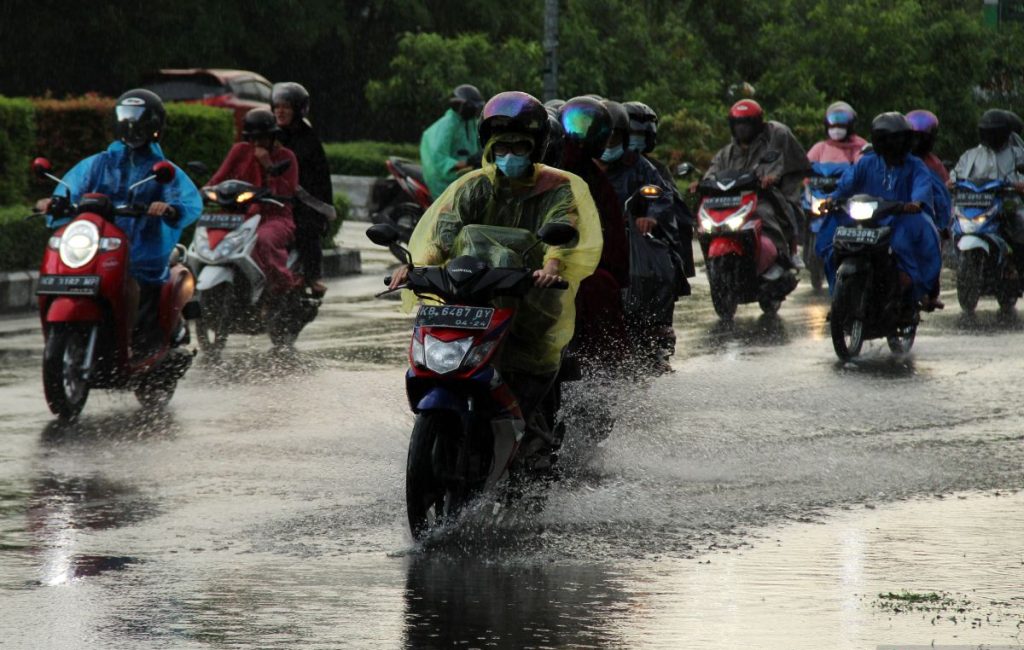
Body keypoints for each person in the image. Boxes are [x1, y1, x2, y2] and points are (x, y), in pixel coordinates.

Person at [391, 91, 602, 462]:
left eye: (519, 146)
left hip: (530, 296)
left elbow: (562, 229)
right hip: (471, 293)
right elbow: (444, 233)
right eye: (502, 146)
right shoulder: (474, 186)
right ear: (489, 147)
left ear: (536, 148)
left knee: (527, 373)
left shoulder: (557, 187)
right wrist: (416, 265)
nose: (509, 154)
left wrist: (551, 266)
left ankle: (533, 433)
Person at [37, 89, 202, 348]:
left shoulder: (162, 169)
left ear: (154, 124)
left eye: (137, 118)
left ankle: (134, 342)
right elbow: (71, 188)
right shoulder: (99, 163)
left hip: (141, 251)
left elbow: (186, 200)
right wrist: (54, 202)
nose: (131, 124)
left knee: (131, 283)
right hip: (98, 245)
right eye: (126, 116)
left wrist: (169, 209)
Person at [817, 112, 943, 310]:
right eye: (889, 139)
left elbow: (921, 185)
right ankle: (838, 298)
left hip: (900, 218)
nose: (895, 144)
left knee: (916, 237)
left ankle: (912, 287)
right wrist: (832, 199)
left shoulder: (915, 165)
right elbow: (847, 183)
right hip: (866, 219)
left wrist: (916, 203)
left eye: (899, 139)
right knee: (834, 240)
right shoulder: (866, 162)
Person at [601, 100, 687, 370]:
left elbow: (661, 194)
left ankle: (657, 332)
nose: (609, 143)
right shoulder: (580, 164)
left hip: (630, 235)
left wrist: (649, 216)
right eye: (605, 136)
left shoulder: (639, 165)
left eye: (616, 137)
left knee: (662, 266)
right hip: (590, 237)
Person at [555, 97, 631, 366]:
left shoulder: (596, 180)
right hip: (530, 259)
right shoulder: (543, 168)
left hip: (578, 265)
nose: (579, 137)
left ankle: (603, 366)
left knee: (600, 288)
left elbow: (612, 238)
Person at [702, 99, 810, 267]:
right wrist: (702, 183)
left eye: (746, 123)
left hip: (763, 195)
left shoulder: (772, 140)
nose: (741, 128)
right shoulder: (727, 152)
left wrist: (771, 177)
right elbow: (713, 171)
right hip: (734, 201)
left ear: (757, 123)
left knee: (770, 212)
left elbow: (776, 164)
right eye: (737, 123)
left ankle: (784, 254)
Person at [207, 108, 300, 295]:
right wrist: (204, 191)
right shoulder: (239, 151)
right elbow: (218, 179)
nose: (257, 144)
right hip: (240, 215)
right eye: (253, 139)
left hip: (275, 216)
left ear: (273, 137)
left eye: (262, 138)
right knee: (209, 234)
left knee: (263, 240)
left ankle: (281, 286)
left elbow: (287, 190)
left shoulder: (286, 157)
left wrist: (268, 166)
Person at [623, 100, 697, 281]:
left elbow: (667, 197)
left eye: (641, 135)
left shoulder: (655, 168)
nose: (637, 140)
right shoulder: (603, 164)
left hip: (644, 231)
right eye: (633, 134)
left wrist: (652, 217)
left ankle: (676, 276)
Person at [272, 81, 334, 295]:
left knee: (306, 229)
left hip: (302, 202)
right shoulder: (269, 133)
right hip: (271, 197)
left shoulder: (308, 139)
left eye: (286, 107)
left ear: (297, 110)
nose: (280, 111)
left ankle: (312, 276)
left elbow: (319, 179)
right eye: (277, 106)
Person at [419, 84, 485, 199]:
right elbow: (439, 161)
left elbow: (480, 145)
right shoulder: (447, 125)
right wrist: (468, 162)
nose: (475, 111)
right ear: (462, 106)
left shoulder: (470, 123)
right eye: (472, 107)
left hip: (465, 178)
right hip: (444, 183)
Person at [951, 109, 1024, 188]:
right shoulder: (971, 155)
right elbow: (956, 175)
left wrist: (1018, 185)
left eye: (995, 133)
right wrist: (952, 181)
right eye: (988, 133)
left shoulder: (1018, 154)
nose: (991, 137)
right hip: (975, 195)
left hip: (1009, 194)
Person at [906, 109, 952, 233]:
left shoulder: (935, 163)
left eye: (922, 138)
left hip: (925, 217)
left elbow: (944, 195)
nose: (917, 142)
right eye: (914, 137)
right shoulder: (894, 159)